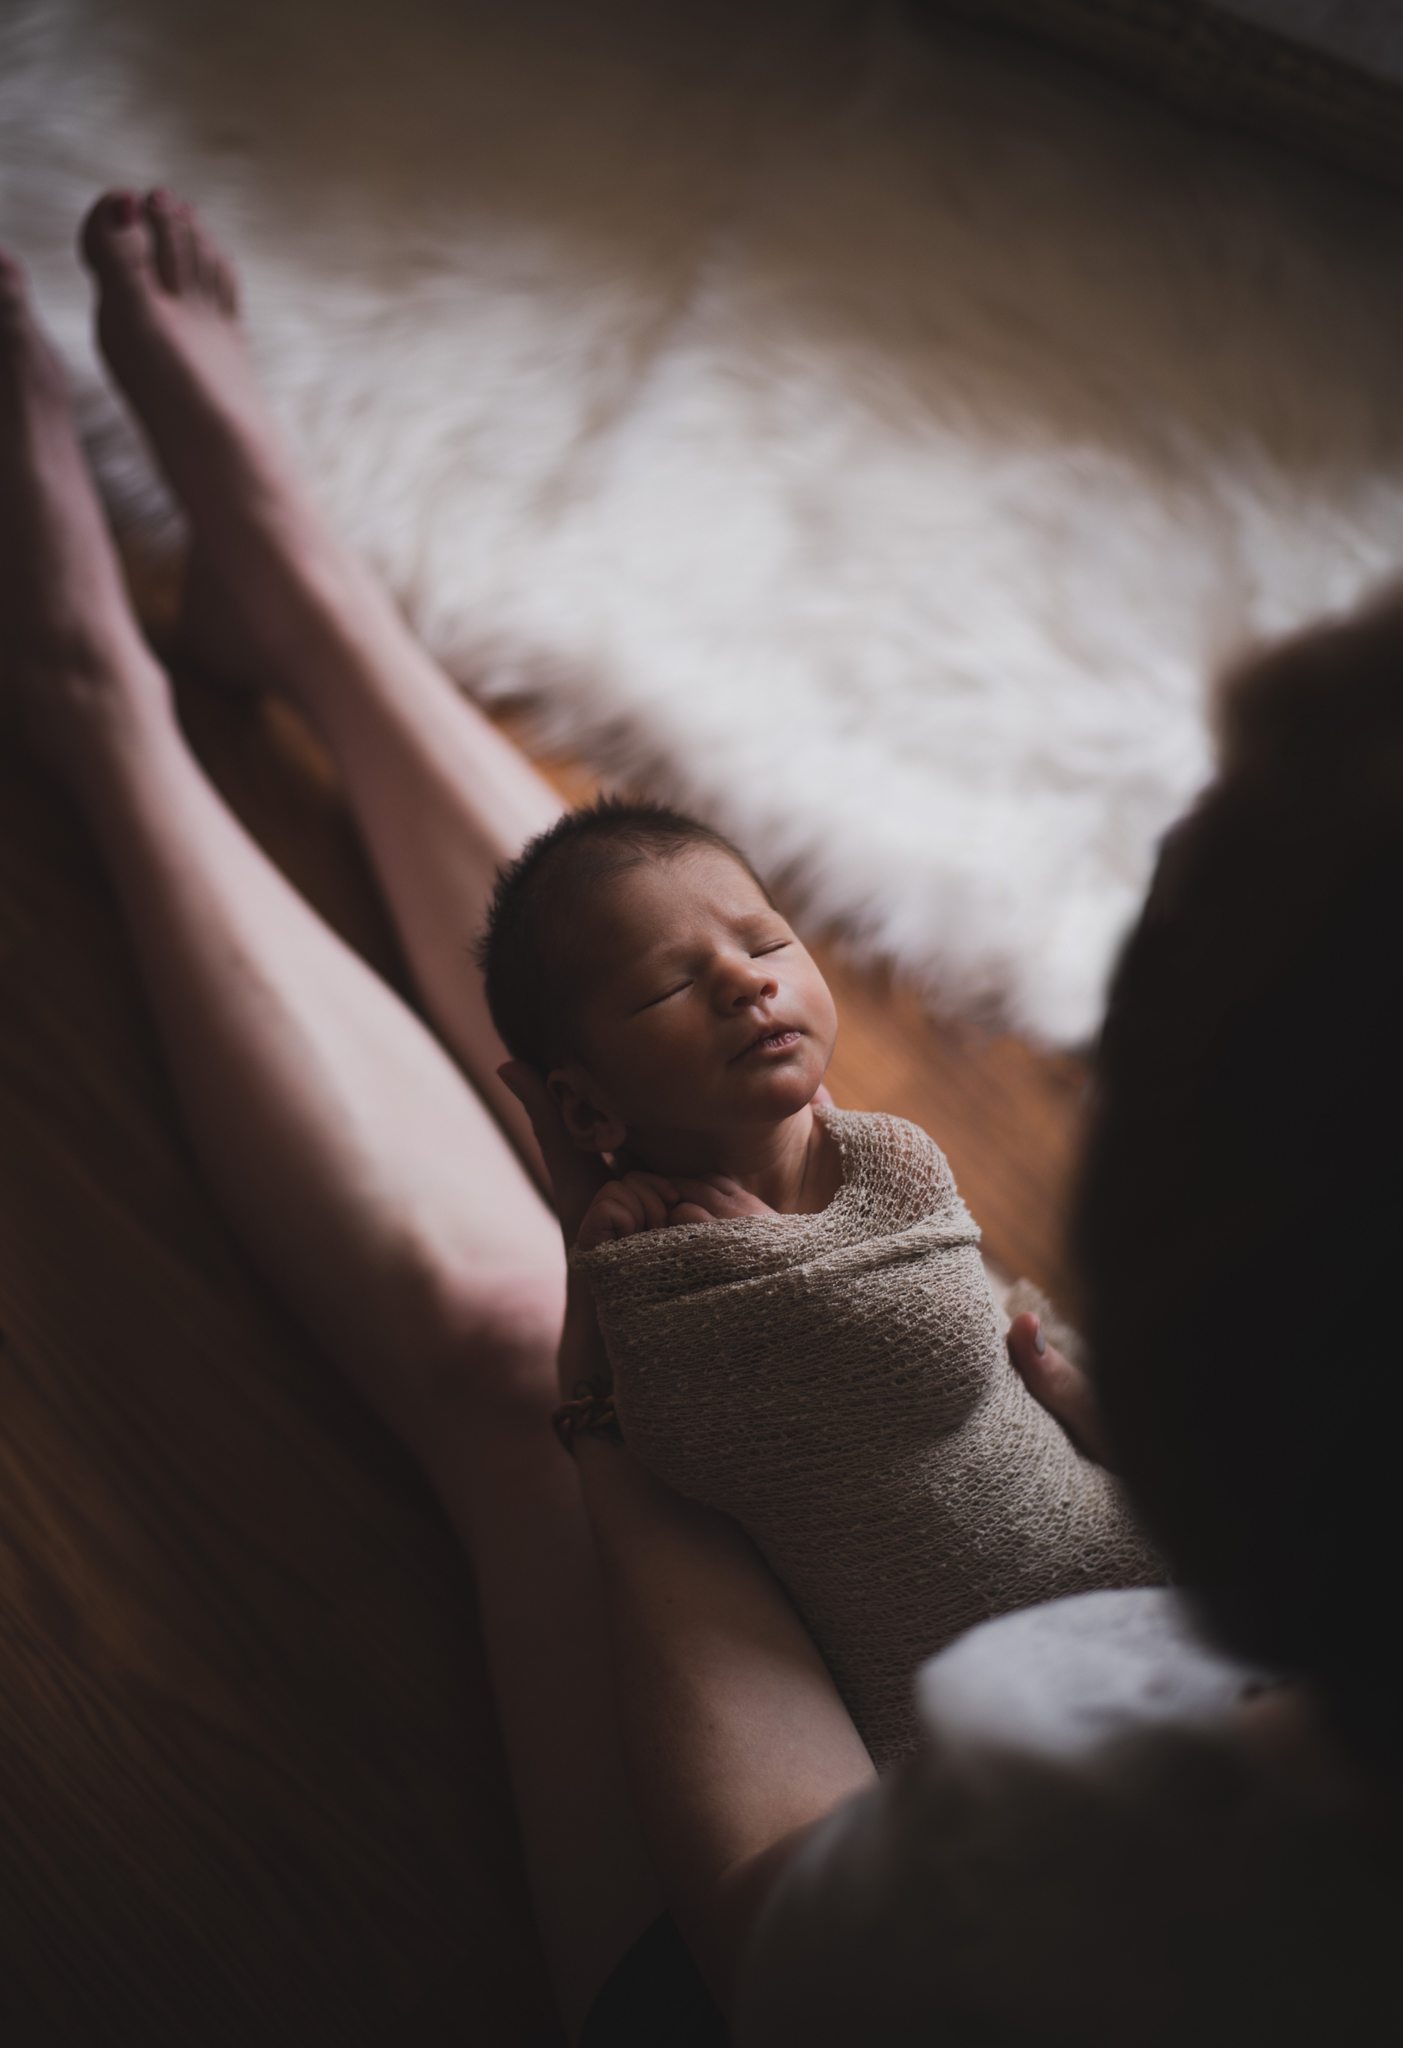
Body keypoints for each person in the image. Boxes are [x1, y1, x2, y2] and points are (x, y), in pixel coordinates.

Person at [4, 184, 1395, 2048]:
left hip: (803, 1942)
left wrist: (605, 1399)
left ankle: (95, 708)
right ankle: (305, 597)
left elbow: (779, 1928)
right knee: (627, 967)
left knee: (507, 1368)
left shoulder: (1133, 1926)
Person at [479, 799, 1157, 1765]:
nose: (743, 983)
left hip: (1114, 1557)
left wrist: (776, 1280)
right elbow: (683, 1449)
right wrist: (638, 1269)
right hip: (920, 1691)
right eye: (666, 988)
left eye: (766, 943)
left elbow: (939, 1342)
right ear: (584, 1106)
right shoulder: (641, 1261)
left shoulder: (892, 1159)